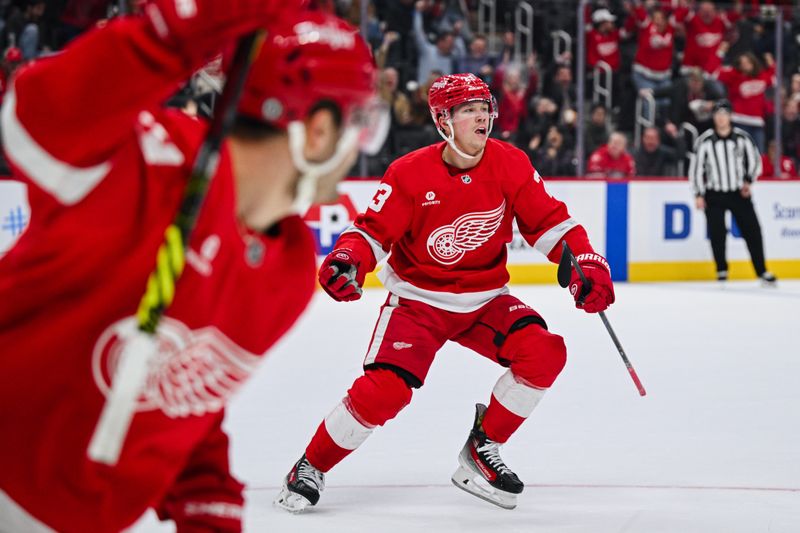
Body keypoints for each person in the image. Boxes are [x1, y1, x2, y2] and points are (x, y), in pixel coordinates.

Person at [0, 4, 382, 532]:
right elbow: (32, 117)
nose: (360, 147)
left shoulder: (289, 268)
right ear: (318, 131)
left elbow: (178, 382)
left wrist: (206, 491)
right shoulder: (155, 158)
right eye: (360, 123)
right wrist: (182, 26)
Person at [273, 73, 615, 513]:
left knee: (545, 352)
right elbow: (371, 232)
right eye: (468, 109)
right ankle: (310, 465)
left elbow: (551, 224)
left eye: (484, 107)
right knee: (386, 391)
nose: (482, 116)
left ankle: (482, 448)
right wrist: (348, 260)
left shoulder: (510, 163)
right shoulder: (409, 173)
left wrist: (585, 261)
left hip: (486, 299)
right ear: (442, 121)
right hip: (418, 302)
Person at [689, 100, 776, 285]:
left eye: (724, 114)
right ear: (714, 117)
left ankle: (762, 271)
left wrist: (748, 181)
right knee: (717, 233)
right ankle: (721, 269)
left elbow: (755, 162)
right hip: (715, 193)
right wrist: (698, 194)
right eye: (718, 114)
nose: (721, 118)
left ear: (730, 116)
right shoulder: (705, 140)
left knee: (753, 231)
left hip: (738, 193)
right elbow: (696, 169)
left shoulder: (742, 138)